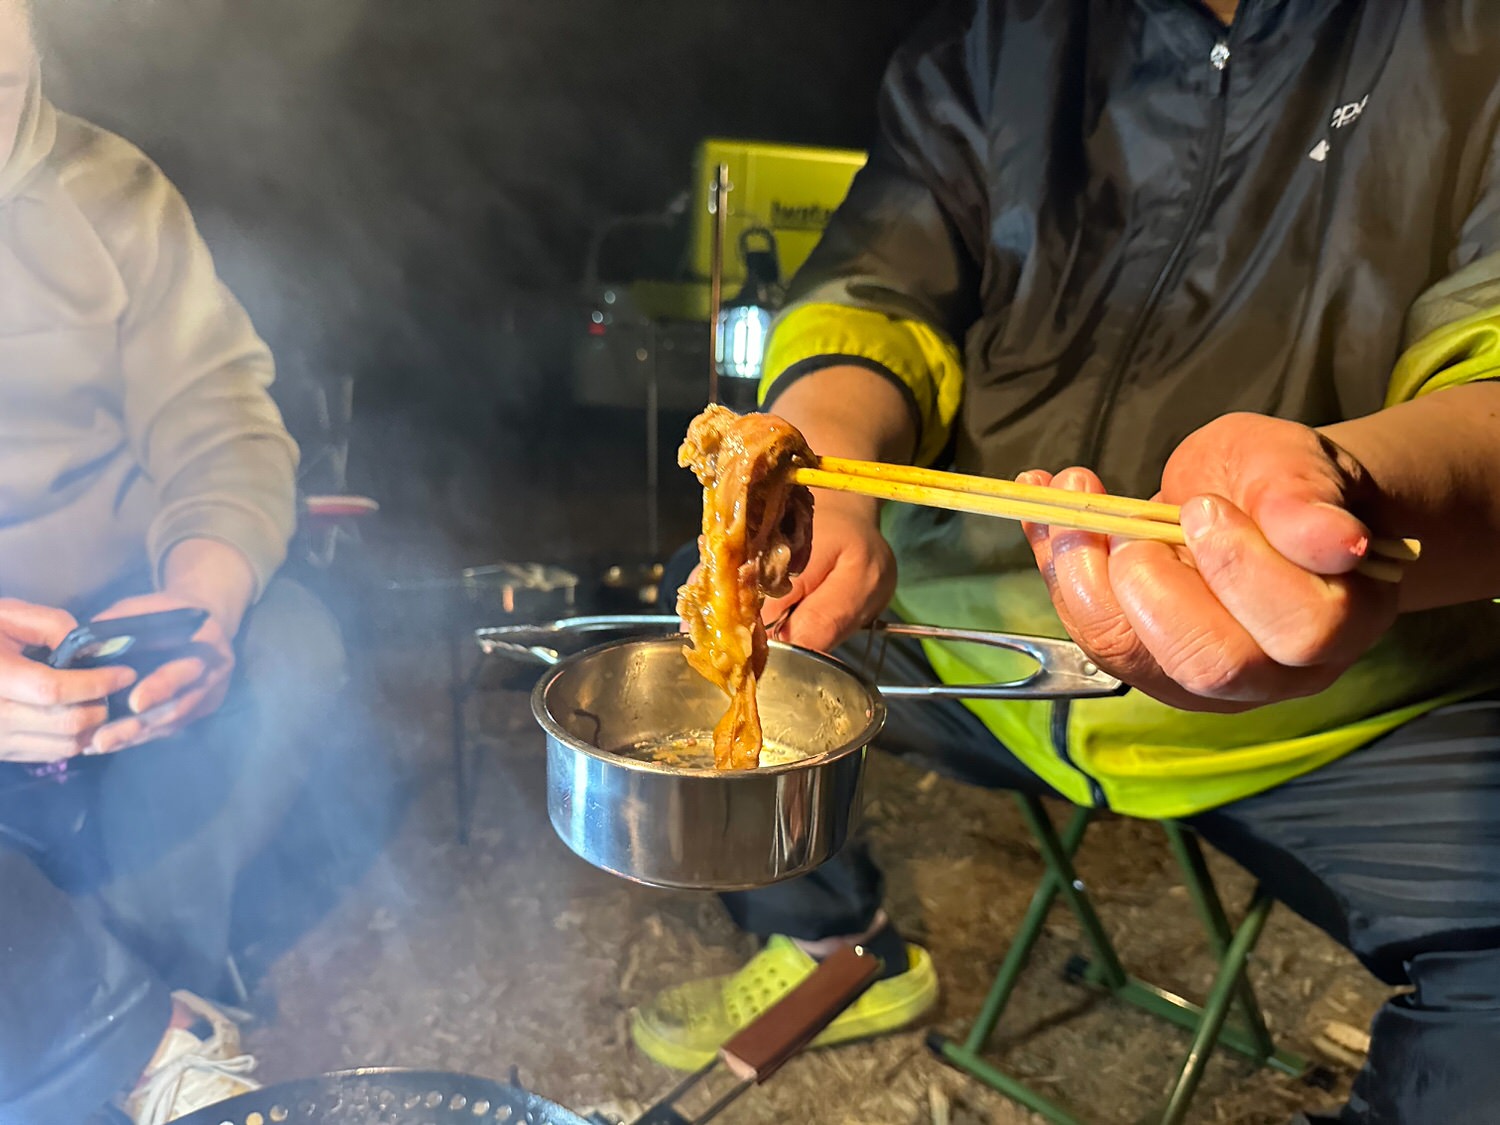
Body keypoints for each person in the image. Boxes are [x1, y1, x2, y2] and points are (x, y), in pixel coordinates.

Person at [632, 1, 1500, 1120]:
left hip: (1354, 697)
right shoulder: (998, 39)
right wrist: (827, 474)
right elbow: (882, 292)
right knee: (713, 614)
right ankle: (833, 945)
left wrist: (1337, 489)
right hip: (969, 634)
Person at [0, 2, 347, 1122]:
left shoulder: (108, 192)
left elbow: (216, 413)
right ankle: (112, 1036)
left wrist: (206, 591)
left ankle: (156, 968)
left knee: (291, 642)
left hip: (105, 627)